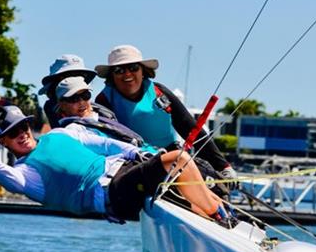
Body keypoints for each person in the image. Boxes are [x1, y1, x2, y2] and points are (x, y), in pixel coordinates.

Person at [0, 104, 235, 225]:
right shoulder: (24, 175)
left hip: (123, 171)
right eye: (13, 132)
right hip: (110, 193)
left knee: (182, 194)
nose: (22, 133)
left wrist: (137, 153)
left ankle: (225, 222)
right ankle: (220, 216)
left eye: (23, 126)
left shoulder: (58, 134)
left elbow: (105, 145)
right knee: (178, 158)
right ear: (3, 141)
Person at [93, 45, 237, 183]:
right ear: (112, 76)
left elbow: (189, 127)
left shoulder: (159, 92)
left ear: (143, 71)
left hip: (172, 156)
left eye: (133, 68)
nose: (127, 74)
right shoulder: (104, 100)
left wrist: (223, 166)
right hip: (131, 162)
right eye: (119, 70)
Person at [38, 54, 115, 128]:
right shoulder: (51, 107)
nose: (74, 80)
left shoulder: (105, 114)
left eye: (85, 96)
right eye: (73, 98)